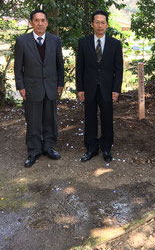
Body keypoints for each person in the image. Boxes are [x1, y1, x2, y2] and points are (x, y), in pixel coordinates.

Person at [14, 9, 64, 168]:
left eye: (43, 20)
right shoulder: (22, 41)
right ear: (31, 23)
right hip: (31, 88)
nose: (40, 23)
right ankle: (34, 150)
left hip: (50, 87)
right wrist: (20, 86)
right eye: (37, 20)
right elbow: (18, 68)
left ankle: (49, 147)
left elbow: (59, 65)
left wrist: (60, 84)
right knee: (33, 121)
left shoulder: (55, 40)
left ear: (47, 23)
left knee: (50, 119)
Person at [76, 10, 123, 163]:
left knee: (107, 118)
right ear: (92, 24)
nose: (100, 25)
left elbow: (119, 69)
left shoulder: (115, 44)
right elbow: (80, 68)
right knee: (89, 118)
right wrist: (80, 88)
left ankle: (106, 148)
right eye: (97, 22)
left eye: (103, 22)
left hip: (108, 88)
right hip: (89, 88)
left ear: (107, 25)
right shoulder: (83, 43)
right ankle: (91, 148)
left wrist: (116, 89)